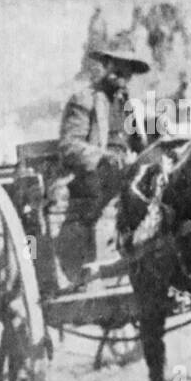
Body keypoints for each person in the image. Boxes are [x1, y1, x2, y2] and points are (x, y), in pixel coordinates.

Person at [55, 39, 151, 278]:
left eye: (128, 71)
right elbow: (69, 146)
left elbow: (141, 146)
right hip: (91, 179)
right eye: (118, 67)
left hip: (127, 176)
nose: (123, 75)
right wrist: (104, 157)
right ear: (106, 65)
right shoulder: (84, 99)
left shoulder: (130, 105)